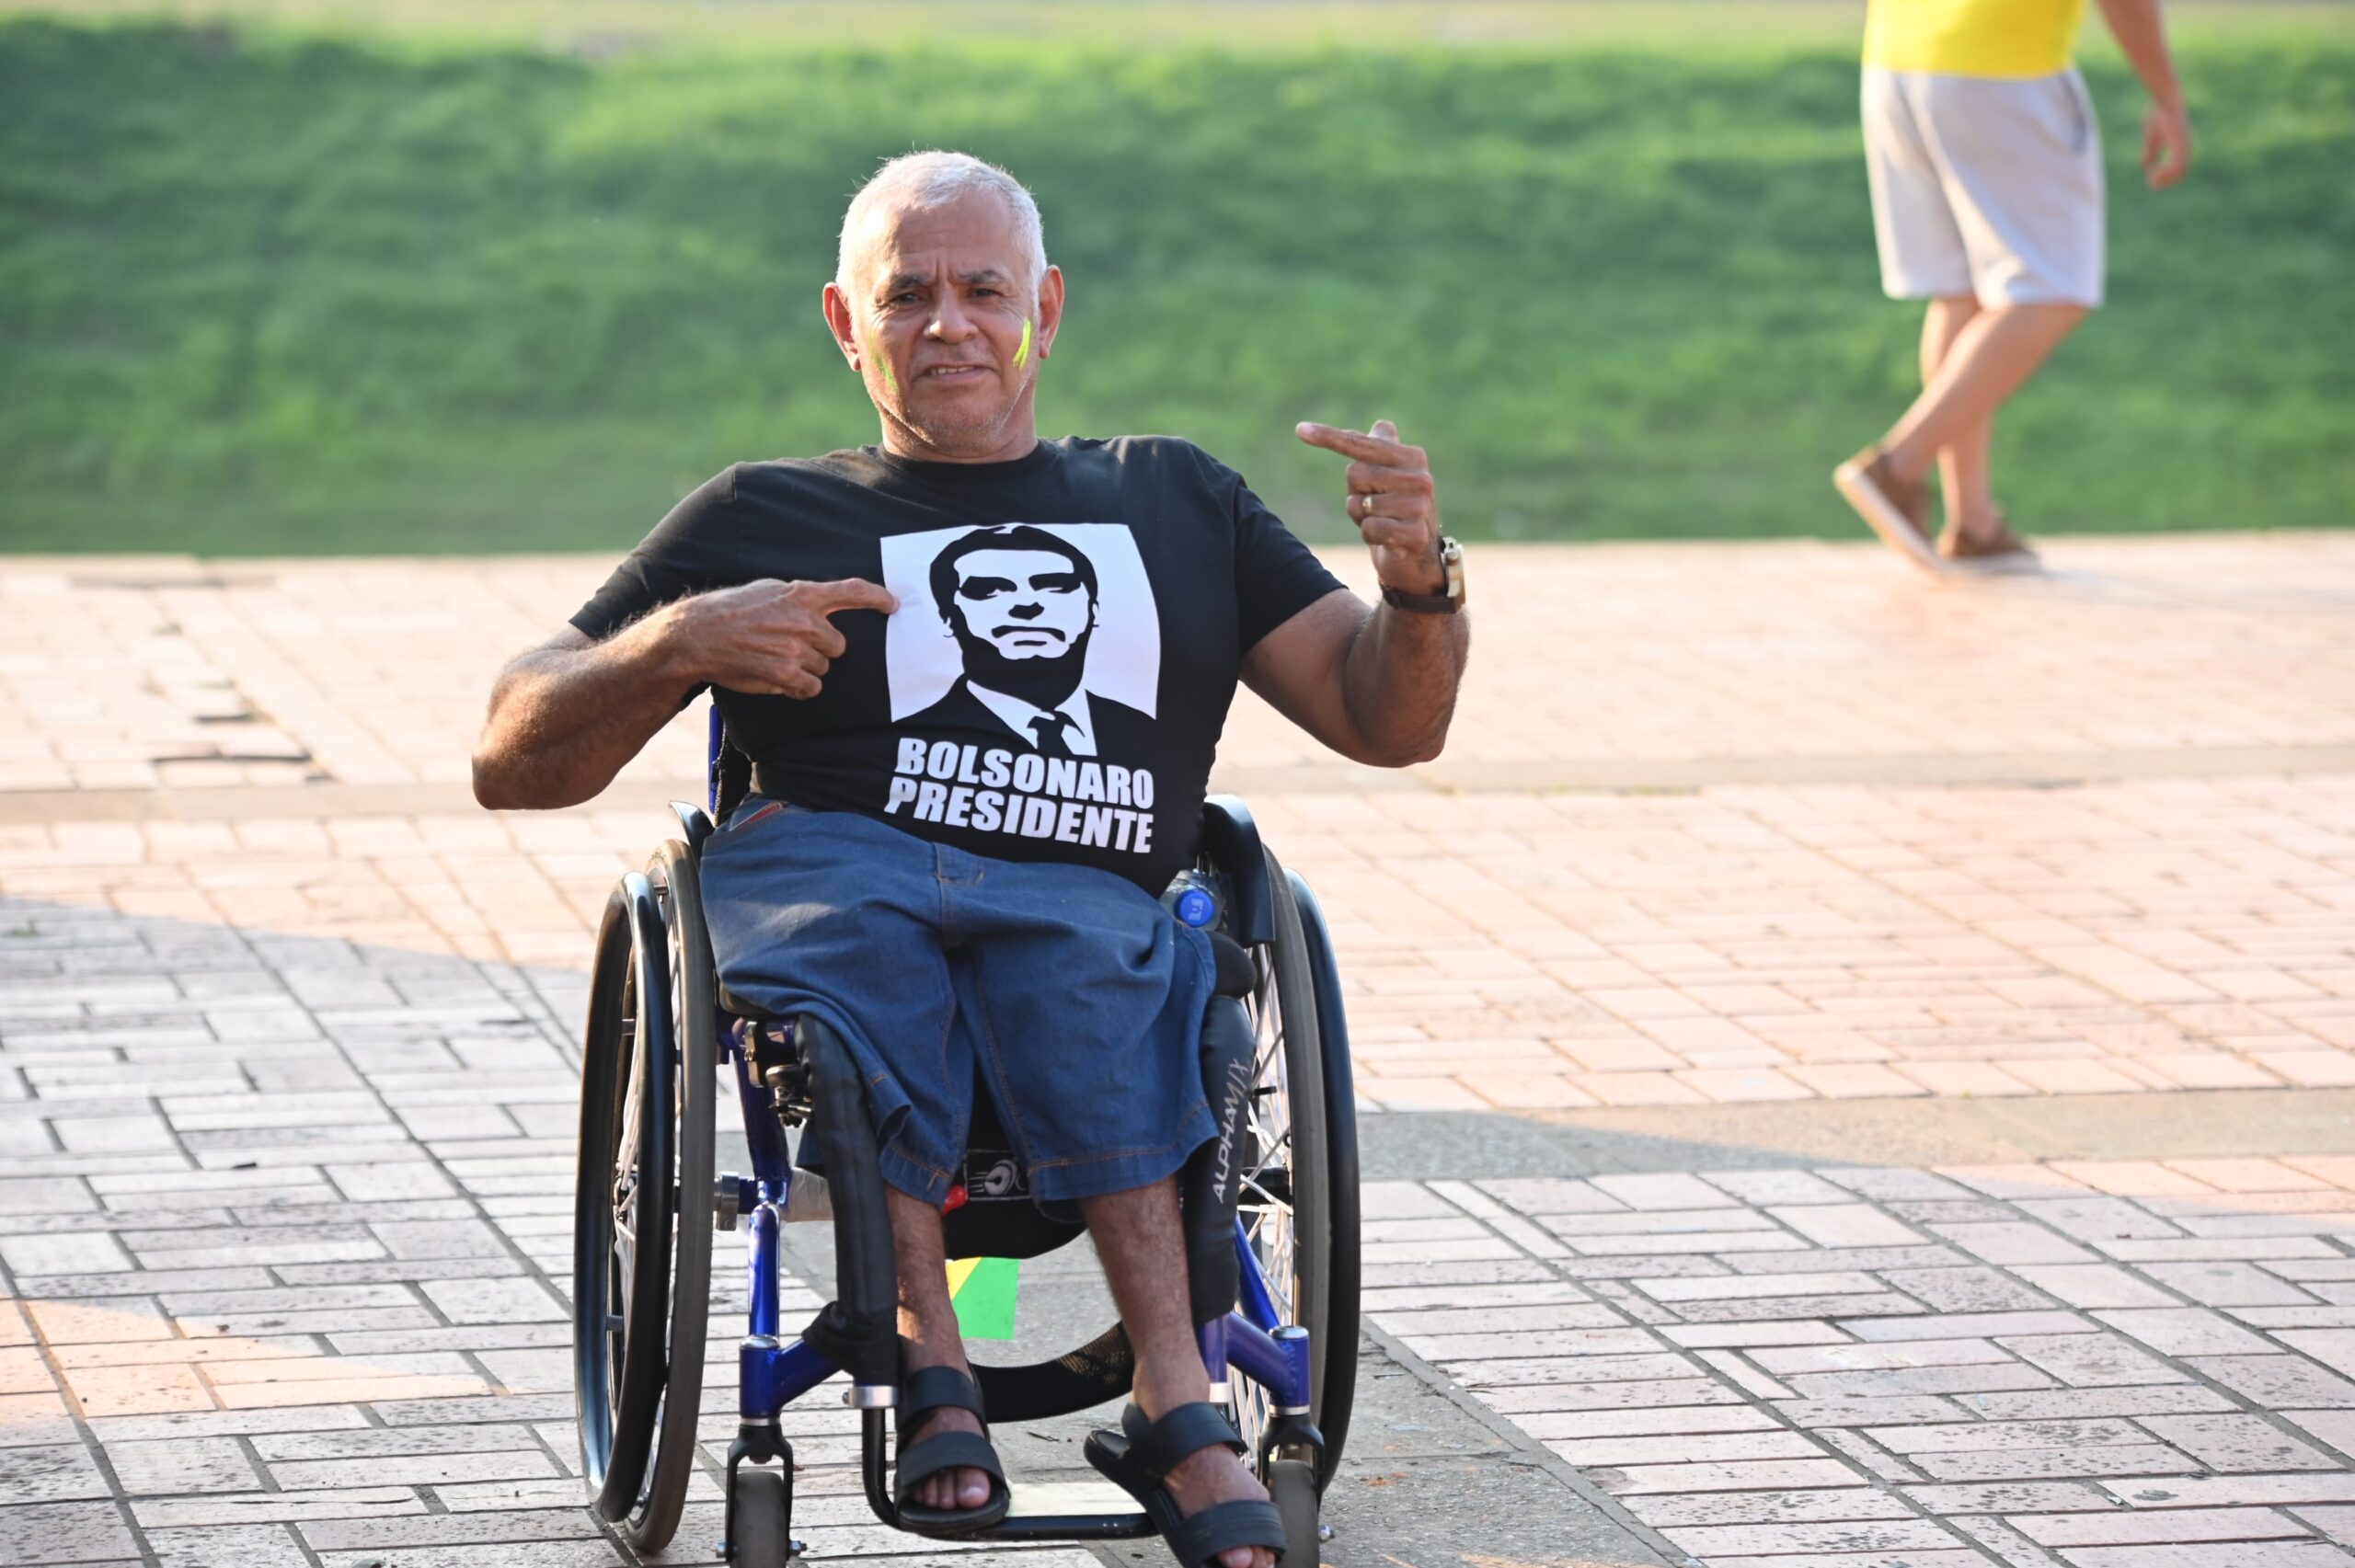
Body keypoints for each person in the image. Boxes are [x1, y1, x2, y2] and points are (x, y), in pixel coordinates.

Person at [471, 151, 1469, 1568]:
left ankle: (1176, 1401)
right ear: (844, 322)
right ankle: (924, 1357)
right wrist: (680, 641)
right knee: (869, 945)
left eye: (982, 289)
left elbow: (1390, 719)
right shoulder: (762, 513)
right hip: (837, 877)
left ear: (1045, 310)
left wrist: (1420, 582)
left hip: (1086, 895)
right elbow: (513, 751)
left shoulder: (1173, 500)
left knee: (1102, 952)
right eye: (908, 294)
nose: (948, 323)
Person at [1834, 0, 2192, 571]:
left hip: (1895, 58)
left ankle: (1973, 524)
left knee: (1964, 291)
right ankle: (1898, 467)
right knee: (2053, 289)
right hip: (2000, 69)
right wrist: (2169, 98)